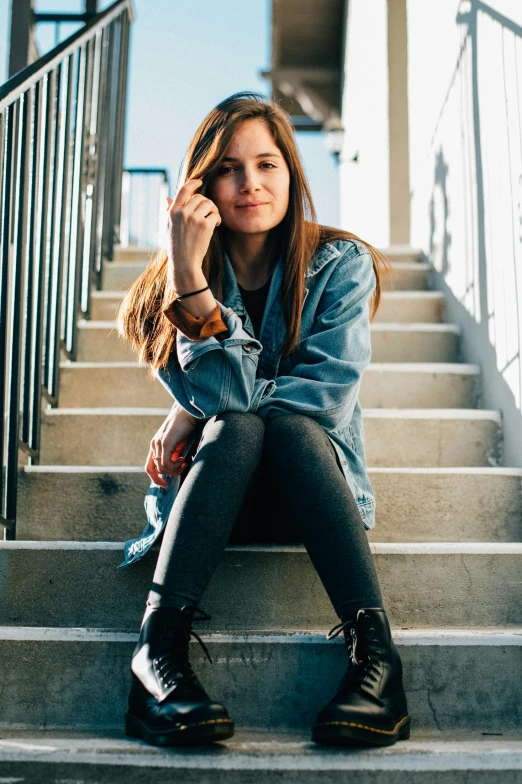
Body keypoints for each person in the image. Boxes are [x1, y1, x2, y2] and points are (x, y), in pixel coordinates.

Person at [116, 91, 410, 748]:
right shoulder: (165, 291)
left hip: (310, 494)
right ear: (201, 184)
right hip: (214, 499)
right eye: (229, 168)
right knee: (240, 428)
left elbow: (322, 399)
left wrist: (193, 411)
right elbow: (229, 403)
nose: (250, 183)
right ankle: (155, 657)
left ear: (292, 174)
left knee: (281, 427)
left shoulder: (339, 265)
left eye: (268, 164)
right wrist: (192, 279)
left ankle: (377, 661)